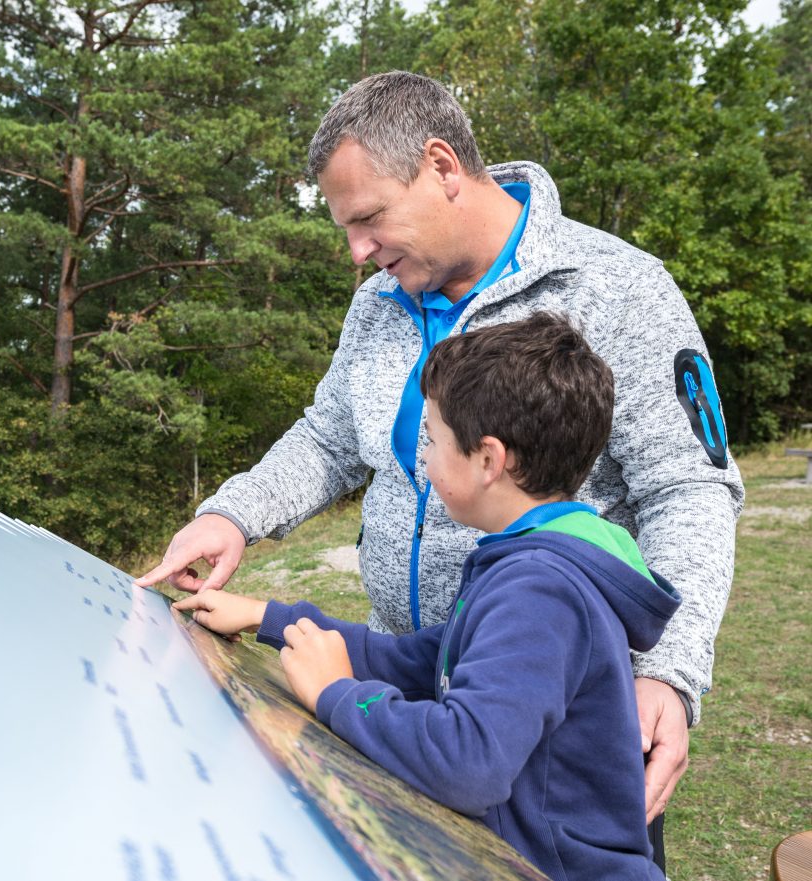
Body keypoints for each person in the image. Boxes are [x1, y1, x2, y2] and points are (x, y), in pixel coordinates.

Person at [135, 71, 744, 871]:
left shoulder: (622, 288)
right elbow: (329, 437)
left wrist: (668, 671)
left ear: (442, 167)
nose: (357, 252)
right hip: (416, 687)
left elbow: (689, 486)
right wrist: (232, 514)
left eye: (370, 219)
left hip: (558, 735)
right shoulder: (378, 304)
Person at [173, 314, 678, 880]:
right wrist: (270, 618)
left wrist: (338, 695)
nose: (424, 461)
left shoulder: (540, 588)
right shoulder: (537, 556)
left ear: (488, 459)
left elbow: (468, 765)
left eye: (433, 440)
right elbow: (422, 660)